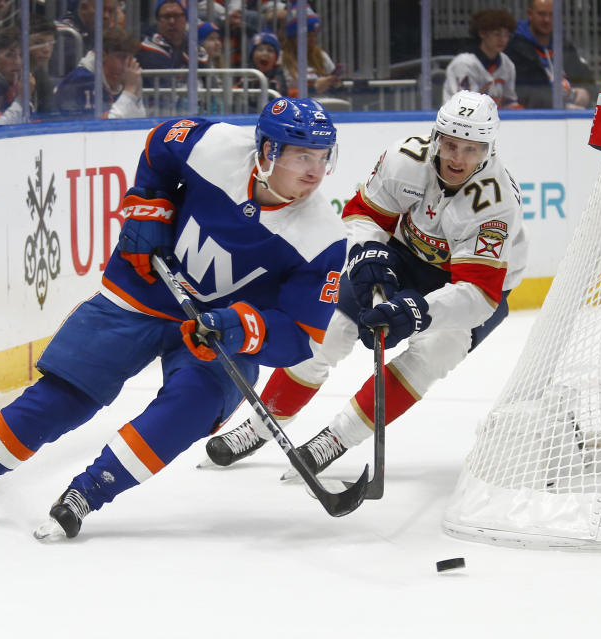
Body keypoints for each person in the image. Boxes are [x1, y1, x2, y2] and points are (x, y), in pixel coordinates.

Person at [0, 97, 344, 540]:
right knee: (65, 395)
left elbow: (301, 338)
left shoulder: (324, 237)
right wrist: (151, 205)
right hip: (143, 288)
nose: (314, 171)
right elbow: (161, 145)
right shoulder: (216, 146)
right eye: (303, 156)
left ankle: (87, 493)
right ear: (268, 151)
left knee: (188, 410)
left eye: (323, 158)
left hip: (214, 332)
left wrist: (241, 327)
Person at [202, 90, 528, 475]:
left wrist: (417, 313)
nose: (457, 159)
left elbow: (477, 295)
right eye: (450, 144)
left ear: (488, 150)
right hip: (405, 255)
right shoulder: (405, 158)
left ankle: (336, 439)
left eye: (471, 149)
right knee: (331, 329)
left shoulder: (496, 203)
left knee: (434, 353)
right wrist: (368, 252)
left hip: (473, 287)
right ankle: (260, 424)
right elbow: (362, 214)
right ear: (436, 137)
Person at [504, 0, 593, 109]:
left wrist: (586, 92)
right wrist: (561, 106)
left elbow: (585, 78)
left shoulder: (563, 45)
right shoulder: (514, 48)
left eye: (552, 15)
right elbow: (524, 92)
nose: (547, 20)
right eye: (542, 14)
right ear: (530, 14)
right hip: (537, 117)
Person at [54, 27, 145, 120]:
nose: (127, 63)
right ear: (103, 55)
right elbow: (104, 128)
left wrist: (136, 92)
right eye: (121, 57)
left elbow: (139, 120)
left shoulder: (120, 81)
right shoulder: (81, 80)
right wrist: (129, 91)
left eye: (130, 57)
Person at [442, 8, 520, 109]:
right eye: (497, 34)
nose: (503, 39)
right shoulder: (464, 64)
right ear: (482, 33)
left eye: (506, 35)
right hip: (458, 121)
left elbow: (509, 102)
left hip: (490, 121)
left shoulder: (507, 63)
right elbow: (464, 107)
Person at [280, 3, 341, 97]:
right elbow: (281, 94)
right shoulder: (281, 59)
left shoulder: (321, 55)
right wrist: (313, 89)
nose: (313, 39)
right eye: (308, 35)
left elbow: (336, 89)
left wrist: (335, 84)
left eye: (315, 35)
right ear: (293, 37)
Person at [56, 0, 119, 75]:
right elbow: (85, 70)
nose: (106, 16)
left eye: (111, 11)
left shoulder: (97, 31)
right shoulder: (67, 32)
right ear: (84, 8)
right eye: (101, 9)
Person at [136, 0, 190, 72]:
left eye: (177, 15)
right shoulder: (149, 49)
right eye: (166, 16)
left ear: (185, 19)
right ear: (158, 20)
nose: (172, 21)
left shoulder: (194, 48)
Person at [29, 14, 57, 114]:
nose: (47, 50)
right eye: (38, 43)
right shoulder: (11, 76)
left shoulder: (41, 76)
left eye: (51, 43)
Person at [247, 30, 287, 97]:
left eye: (270, 50)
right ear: (252, 55)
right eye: (260, 49)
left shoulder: (279, 75)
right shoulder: (246, 73)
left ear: (276, 57)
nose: (264, 53)